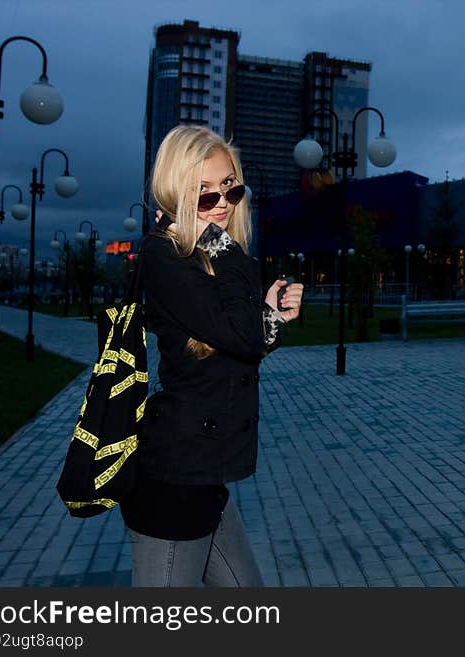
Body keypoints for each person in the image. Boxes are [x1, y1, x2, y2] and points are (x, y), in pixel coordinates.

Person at [120, 125, 303, 587]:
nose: (221, 202)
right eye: (202, 192)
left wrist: (274, 317)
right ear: (174, 191)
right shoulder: (165, 257)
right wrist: (228, 255)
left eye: (229, 187)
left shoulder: (212, 254)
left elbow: (241, 353)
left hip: (204, 474)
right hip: (173, 477)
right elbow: (242, 335)